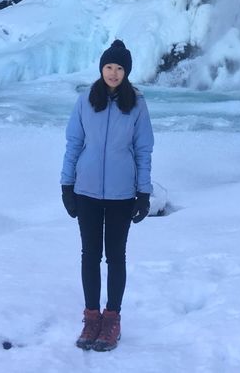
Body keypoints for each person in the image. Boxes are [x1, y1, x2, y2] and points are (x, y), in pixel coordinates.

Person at [60, 39, 154, 352]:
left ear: (127, 72)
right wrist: (66, 184)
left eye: (119, 68)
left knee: (115, 256)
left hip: (121, 193)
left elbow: (143, 149)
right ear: (101, 68)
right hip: (86, 190)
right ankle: (91, 318)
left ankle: (111, 320)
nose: (113, 73)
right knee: (90, 255)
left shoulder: (137, 103)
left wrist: (144, 192)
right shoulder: (86, 99)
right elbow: (74, 143)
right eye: (108, 67)